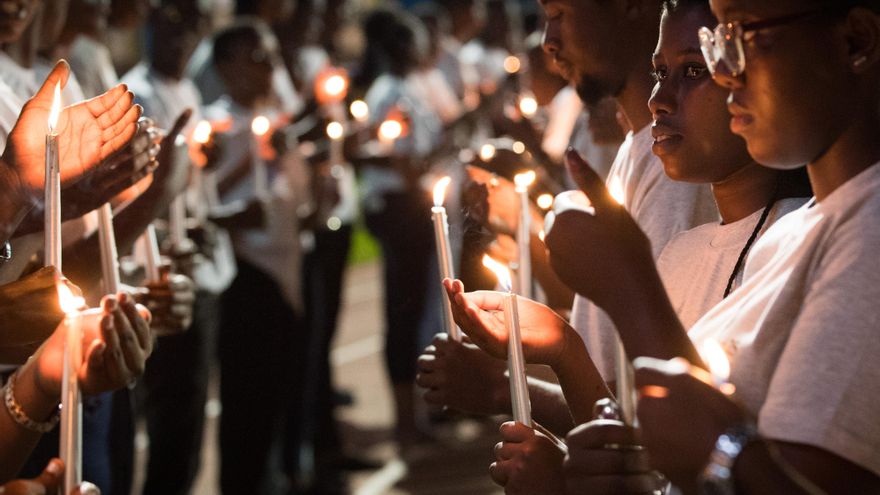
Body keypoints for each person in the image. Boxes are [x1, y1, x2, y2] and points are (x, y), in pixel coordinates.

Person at [206, 20, 310, 494]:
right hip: (246, 275)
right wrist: (233, 211)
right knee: (246, 398)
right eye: (256, 57)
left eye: (271, 56)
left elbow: (293, 198)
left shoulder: (278, 124)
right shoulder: (216, 126)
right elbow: (199, 204)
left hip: (287, 267)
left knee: (281, 389)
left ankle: (281, 471)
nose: (269, 68)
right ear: (226, 67)